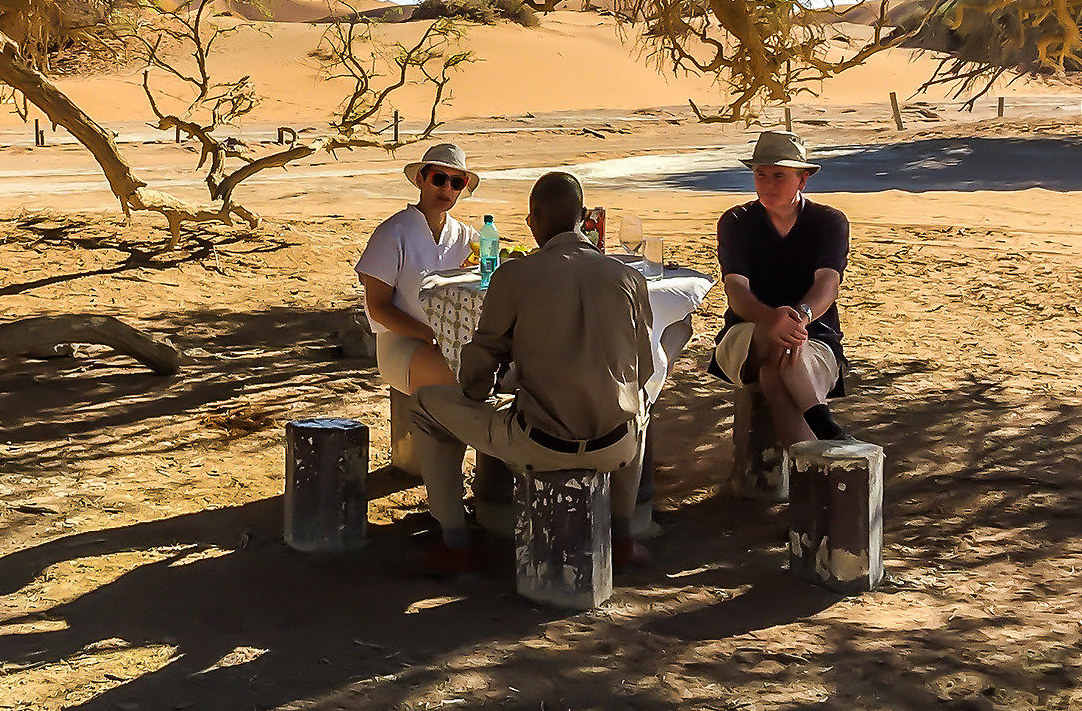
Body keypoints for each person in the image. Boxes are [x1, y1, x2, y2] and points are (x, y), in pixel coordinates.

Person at [408, 170, 655, 574]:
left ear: (532, 220)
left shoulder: (514, 275)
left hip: (541, 447)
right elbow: (643, 369)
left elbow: (478, 372)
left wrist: (486, 394)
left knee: (424, 405)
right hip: (616, 449)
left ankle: (454, 541)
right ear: (584, 218)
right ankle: (624, 536)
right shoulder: (628, 278)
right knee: (639, 405)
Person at [712, 129, 855, 449]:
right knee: (774, 339)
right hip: (747, 337)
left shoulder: (828, 222)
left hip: (814, 338)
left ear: (802, 180)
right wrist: (771, 319)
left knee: (774, 372)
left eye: (779, 176)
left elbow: (828, 282)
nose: (767, 185)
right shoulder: (737, 221)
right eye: (760, 175)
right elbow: (736, 289)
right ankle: (825, 429)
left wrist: (800, 318)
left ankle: (810, 460)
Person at [354, 141, 478, 398]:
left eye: (456, 182)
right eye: (439, 178)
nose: (447, 188)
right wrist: (430, 335)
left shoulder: (467, 237)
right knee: (464, 380)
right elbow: (378, 307)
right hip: (403, 343)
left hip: (455, 344)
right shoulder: (392, 233)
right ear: (421, 179)